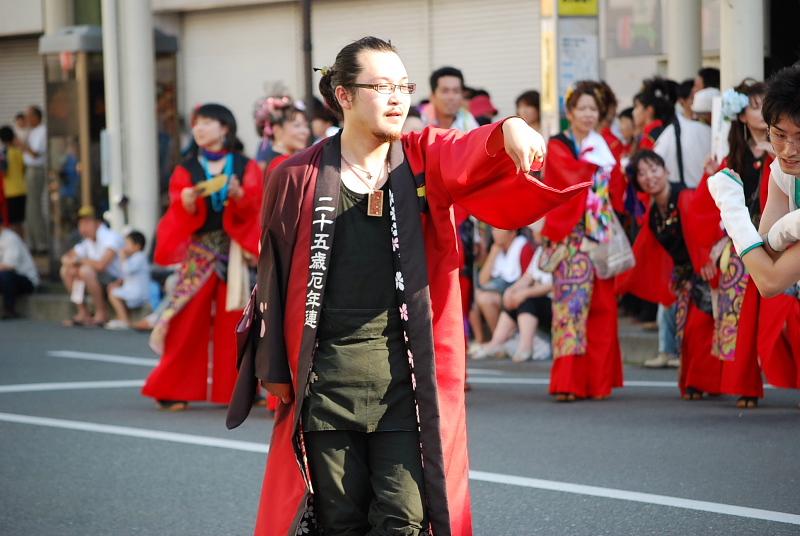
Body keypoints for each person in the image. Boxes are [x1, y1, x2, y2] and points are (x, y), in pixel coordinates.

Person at [225, 36, 588, 536]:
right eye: (381, 86)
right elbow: (273, 279)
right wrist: (272, 367)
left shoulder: (419, 159)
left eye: (403, 86)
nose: (397, 98)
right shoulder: (296, 176)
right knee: (338, 522)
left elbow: (465, 148)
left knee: (406, 520)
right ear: (344, 95)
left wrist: (511, 127)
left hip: (405, 383)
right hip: (324, 386)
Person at [142, 103, 263, 411]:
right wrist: (186, 203)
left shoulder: (245, 166)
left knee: (235, 323)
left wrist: (239, 197)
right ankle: (171, 387)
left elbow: (256, 206)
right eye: (196, 123)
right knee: (185, 318)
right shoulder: (186, 168)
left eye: (206, 122)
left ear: (225, 128)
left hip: (235, 253)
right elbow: (179, 213)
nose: (198, 128)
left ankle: (237, 390)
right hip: (201, 250)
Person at [708, 64, 800, 398]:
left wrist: (733, 211)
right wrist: (786, 229)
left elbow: (771, 278)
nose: (788, 149)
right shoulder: (781, 169)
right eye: (779, 135)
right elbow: (767, 261)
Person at [686, 79, 774, 408]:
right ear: (741, 117)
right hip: (743, 246)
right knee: (738, 316)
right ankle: (744, 384)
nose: (762, 112)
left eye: (766, 104)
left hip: (781, 240)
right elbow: (708, 209)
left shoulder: (786, 152)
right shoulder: (730, 161)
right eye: (755, 106)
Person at [540, 80, 625, 402]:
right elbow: (567, 178)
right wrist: (595, 164)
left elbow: (615, 190)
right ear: (570, 112)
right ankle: (568, 382)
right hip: (571, 239)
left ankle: (598, 381)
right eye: (583, 109)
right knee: (570, 309)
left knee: (602, 309)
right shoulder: (559, 144)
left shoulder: (604, 145)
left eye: (594, 109)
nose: (589, 115)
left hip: (599, 235)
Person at [618, 151, 720, 399]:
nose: (649, 177)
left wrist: (705, 259)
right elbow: (645, 252)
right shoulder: (654, 212)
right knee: (686, 332)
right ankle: (697, 383)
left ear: (666, 171)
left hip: (706, 270)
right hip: (686, 277)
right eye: (642, 173)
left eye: (654, 169)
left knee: (701, 329)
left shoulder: (682, 196)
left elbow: (701, 227)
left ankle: (703, 383)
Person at [470, 227, 533, 358]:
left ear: (513, 233)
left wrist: (512, 291)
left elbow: (529, 278)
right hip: (500, 291)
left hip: (517, 291)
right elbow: (483, 280)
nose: (494, 233)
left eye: (499, 230)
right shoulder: (496, 248)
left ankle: (498, 341)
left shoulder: (524, 247)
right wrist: (493, 253)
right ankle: (485, 339)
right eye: (493, 230)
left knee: (485, 299)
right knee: (475, 297)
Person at [59, 206, 125, 327]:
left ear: (98, 223)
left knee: (85, 271)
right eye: (81, 223)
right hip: (100, 280)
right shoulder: (87, 241)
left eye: (87, 223)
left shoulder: (111, 237)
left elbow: (101, 265)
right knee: (66, 271)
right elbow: (65, 258)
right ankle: (83, 312)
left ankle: (101, 313)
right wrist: (73, 265)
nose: (83, 228)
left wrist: (78, 261)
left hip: (117, 281)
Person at [106, 230, 151, 330]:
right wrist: (119, 281)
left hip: (138, 293)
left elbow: (127, 270)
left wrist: (122, 257)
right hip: (133, 291)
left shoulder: (139, 257)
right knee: (114, 289)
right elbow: (126, 275)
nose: (124, 247)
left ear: (137, 246)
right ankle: (123, 317)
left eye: (127, 244)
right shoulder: (135, 258)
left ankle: (124, 320)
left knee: (113, 294)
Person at [260, 98, 311, 174]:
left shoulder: (284, 161)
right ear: (277, 130)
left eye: (306, 126)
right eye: (297, 125)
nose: (305, 131)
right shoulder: (280, 163)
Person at [420, 65, 479, 131]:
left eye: (456, 91)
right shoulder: (420, 120)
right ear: (432, 96)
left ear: (462, 95)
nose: (451, 97)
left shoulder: (468, 121)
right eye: (445, 91)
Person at [22, 106, 47, 254]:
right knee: (29, 209)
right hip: (28, 170)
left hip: (35, 170)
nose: (27, 119)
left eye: (29, 116)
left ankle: (41, 244)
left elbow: (35, 153)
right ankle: (33, 243)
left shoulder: (42, 131)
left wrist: (20, 143)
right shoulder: (31, 131)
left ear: (37, 117)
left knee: (34, 208)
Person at [0, 225, 38, 319]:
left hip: (27, 280)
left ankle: (9, 310)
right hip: (7, 280)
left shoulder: (10, 238)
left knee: (6, 275)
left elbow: (9, 266)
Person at [0, 126, 27, 237]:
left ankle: (17, 245)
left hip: (10, 192)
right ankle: (23, 244)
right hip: (22, 189)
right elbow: (23, 168)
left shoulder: (4, 154)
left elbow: (4, 172)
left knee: (12, 223)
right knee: (19, 222)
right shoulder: (18, 151)